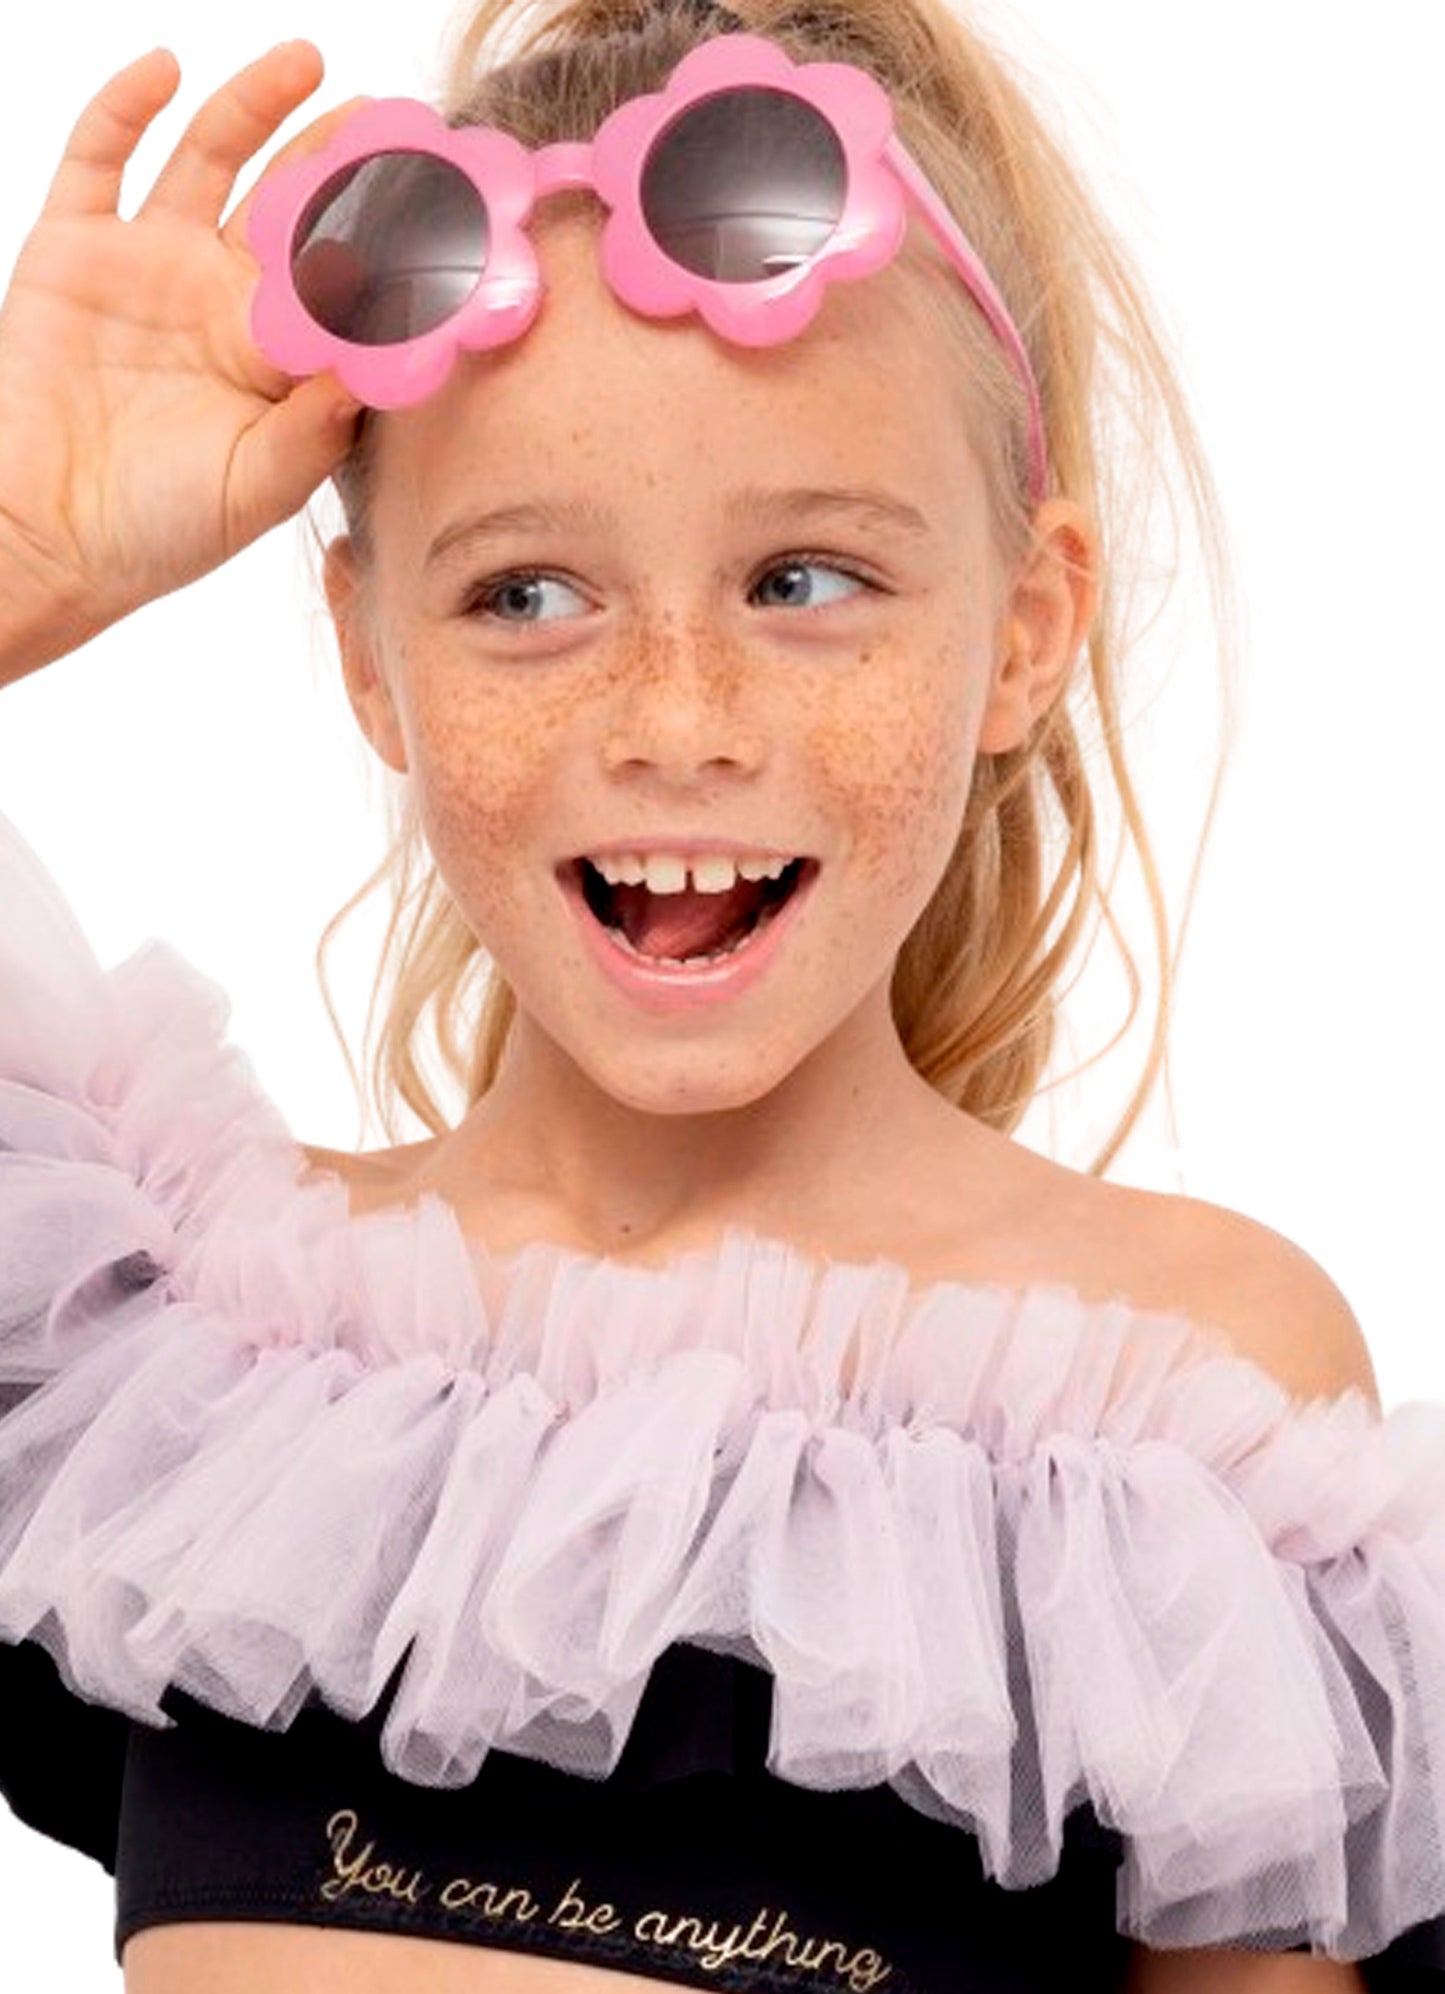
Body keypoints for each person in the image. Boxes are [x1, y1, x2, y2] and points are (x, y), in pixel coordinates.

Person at [0, 1, 1441, 1990]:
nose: (679, 721)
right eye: (527, 595)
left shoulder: (1166, 1412)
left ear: (1022, 636)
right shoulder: (162, 1350)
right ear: (366, 657)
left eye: (805, 581)